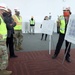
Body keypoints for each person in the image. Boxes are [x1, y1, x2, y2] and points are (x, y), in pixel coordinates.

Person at [0, 3, 12, 75]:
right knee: (4, 55)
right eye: (2, 10)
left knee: (1, 55)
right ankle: (2, 71)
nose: (3, 12)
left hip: (2, 40)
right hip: (0, 41)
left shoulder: (1, 17)